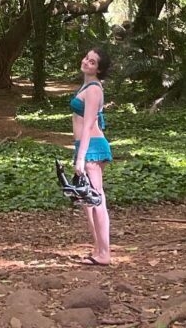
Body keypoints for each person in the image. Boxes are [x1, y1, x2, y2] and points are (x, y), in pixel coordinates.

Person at [70, 46, 112, 265]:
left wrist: (81, 156)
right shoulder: (86, 86)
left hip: (93, 148)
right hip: (85, 147)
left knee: (96, 199)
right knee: (88, 201)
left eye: (92, 62)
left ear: (99, 69)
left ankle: (104, 253)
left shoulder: (94, 89)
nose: (86, 62)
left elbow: (88, 125)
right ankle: (98, 249)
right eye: (87, 58)